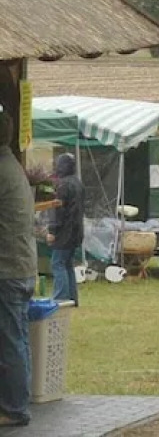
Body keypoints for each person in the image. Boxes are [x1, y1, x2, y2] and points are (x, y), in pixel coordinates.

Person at [0, 113, 36, 428]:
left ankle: (14, 408)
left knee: (11, 341)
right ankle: (16, 404)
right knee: (18, 340)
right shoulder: (13, 167)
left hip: (7, 272)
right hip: (21, 268)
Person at [47, 152, 83, 305]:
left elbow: (59, 211)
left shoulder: (63, 185)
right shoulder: (78, 183)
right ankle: (72, 298)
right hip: (77, 230)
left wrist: (52, 231)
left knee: (58, 263)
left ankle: (61, 298)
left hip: (65, 232)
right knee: (67, 263)